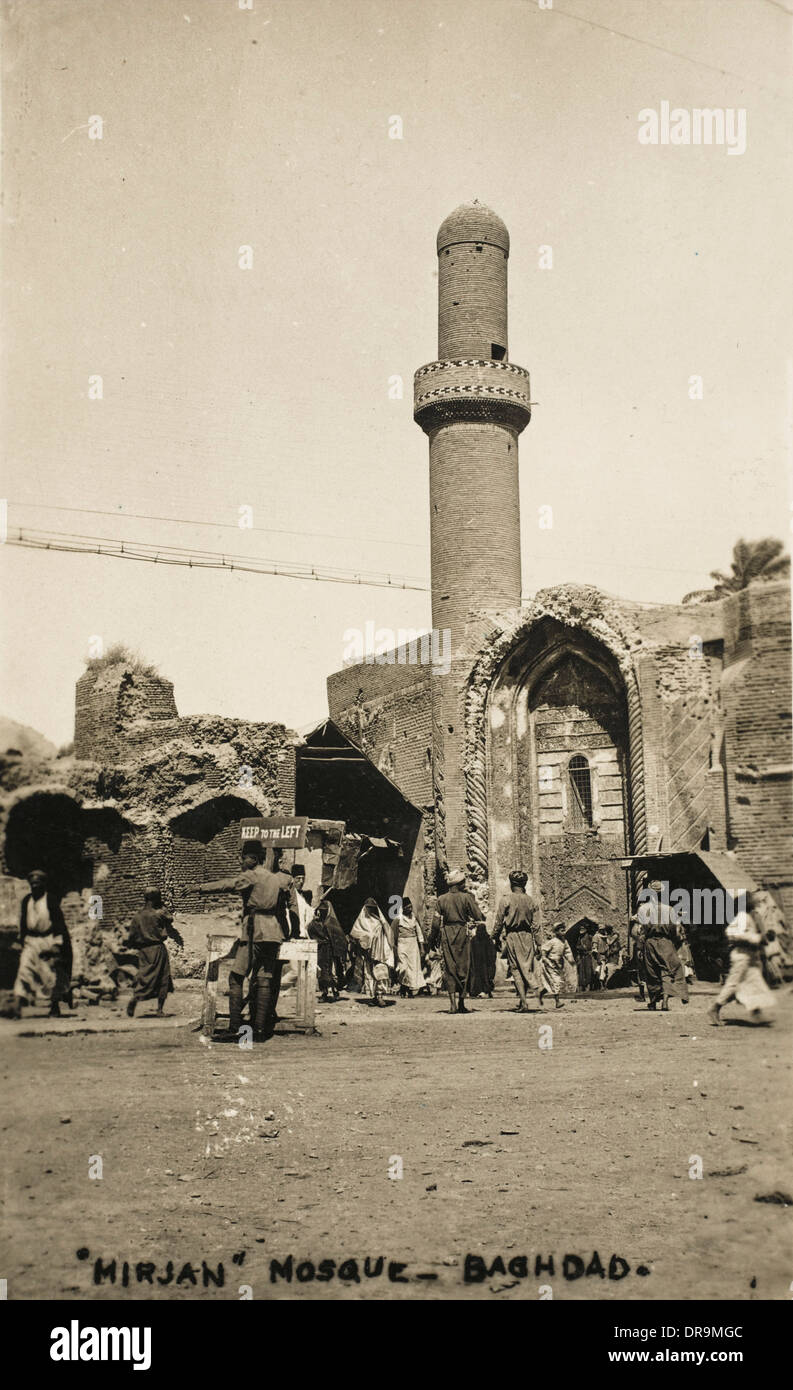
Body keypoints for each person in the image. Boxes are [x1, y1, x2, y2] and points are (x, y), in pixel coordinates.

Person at [199, 842, 299, 1040]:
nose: (241, 861)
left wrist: (198, 888)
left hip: (255, 930)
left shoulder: (251, 875)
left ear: (253, 859)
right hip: (274, 933)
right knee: (264, 979)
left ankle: (236, 1027)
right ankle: (260, 1030)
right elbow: (291, 908)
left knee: (235, 978)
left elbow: (226, 885)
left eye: (244, 857)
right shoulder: (276, 879)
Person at [11, 869, 73, 1019]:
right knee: (24, 969)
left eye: (38, 884)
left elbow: (59, 924)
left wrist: (56, 945)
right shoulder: (27, 900)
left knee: (49, 975)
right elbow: (23, 922)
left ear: (43, 885)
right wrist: (21, 940)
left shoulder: (50, 900)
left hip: (48, 939)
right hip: (31, 941)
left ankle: (54, 1006)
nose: (35, 887)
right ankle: (17, 1007)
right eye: (32, 884)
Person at [708, 893, 776, 1026]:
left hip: (751, 955)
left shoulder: (751, 916)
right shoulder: (742, 917)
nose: (755, 903)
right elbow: (732, 933)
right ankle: (715, 1008)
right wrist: (756, 938)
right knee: (734, 984)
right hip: (742, 955)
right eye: (752, 901)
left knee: (755, 983)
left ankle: (756, 1011)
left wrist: (766, 937)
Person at [430, 868, 484, 1014]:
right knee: (463, 968)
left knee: (450, 968)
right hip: (462, 933)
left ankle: (452, 1005)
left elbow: (435, 923)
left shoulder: (441, 899)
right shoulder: (466, 898)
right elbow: (479, 916)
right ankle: (461, 1003)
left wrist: (432, 940)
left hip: (447, 934)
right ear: (460, 883)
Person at [125, 889, 183, 1017]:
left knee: (145, 976)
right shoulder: (158, 914)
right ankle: (159, 1010)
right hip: (157, 949)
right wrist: (162, 905)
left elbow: (131, 937)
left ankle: (136, 997)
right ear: (156, 899)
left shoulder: (138, 916)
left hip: (144, 950)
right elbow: (170, 919)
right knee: (163, 976)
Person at [636, 882, 689, 1011]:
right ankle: (665, 1002)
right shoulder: (670, 909)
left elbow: (641, 931)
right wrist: (676, 943)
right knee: (667, 971)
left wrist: (639, 947)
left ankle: (653, 1002)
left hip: (650, 943)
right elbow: (675, 931)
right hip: (666, 943)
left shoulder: (643, 909)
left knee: (651, 972)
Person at [493, 870, 540, 1012]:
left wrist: (494, 937)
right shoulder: (531, 901)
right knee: (526, 967)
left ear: (511, 883)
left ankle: (524, 1002)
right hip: (527, 937)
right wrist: (539, 943)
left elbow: (499, 922)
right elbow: (536, 926)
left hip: (513, 936)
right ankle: (522, 999)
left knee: (516, 969)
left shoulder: (506, 900)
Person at [349, 897, 394, 1005]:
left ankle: (380, 995)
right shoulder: (361, 921)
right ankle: (374, 996)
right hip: (367, 953)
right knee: (369, 974)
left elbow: (389, 935)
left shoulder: (381, 921)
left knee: (381, 972)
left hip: (380, 952)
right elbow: (354, 934)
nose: (371, 910)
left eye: (373, 908)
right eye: (369, 908)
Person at [309, 897, 349, 1001]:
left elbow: (340, 939)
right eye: (320, 910)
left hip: (332, 953)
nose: (322, 912)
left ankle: (335, 991)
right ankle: (324, 992)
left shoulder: (332, 922)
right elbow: (311, 931)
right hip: (321, 951)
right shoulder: (315, 923)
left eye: (324, 911)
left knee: (332, 972)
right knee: (322, 972)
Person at [393, 897, 425, 996]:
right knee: (403, 967)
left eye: (411, 907)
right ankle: (403, 987)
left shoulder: (414, 917)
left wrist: (422, 947)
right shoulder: (398, 919)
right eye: (407, 907)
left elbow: (419, 933)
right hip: (402, 944)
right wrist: (394, 947)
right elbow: (393, 934)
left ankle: (410, 990)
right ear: (403, 908)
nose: (410, 909)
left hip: (413, 944)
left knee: (413, 967)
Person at [539, 922, 576, 1009]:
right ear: (556, 932)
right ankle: (557, 1002)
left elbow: (567, 952)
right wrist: (544, 958)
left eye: (564, 929)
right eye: (560, 929)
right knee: (557, 981)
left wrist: (571, 961)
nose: (563, 931)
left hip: (559, 964)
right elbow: (544, 949)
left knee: (554, 982)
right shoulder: (552, 941)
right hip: (550, 963)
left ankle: (542, 992)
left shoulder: (564, 942)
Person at [468, 918, 497, 998]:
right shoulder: (488, 939)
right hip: (485, 963)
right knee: (486, 976)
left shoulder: (474, 940)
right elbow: (492, 952)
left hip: (478, 963)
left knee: (479, 977)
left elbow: (470, 951)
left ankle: (479, 991)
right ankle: (486, 991)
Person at [592, 923, 623, 989]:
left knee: (603, 970)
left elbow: (609, 943)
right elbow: (594, 948)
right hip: (599, 955)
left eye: (604, 929)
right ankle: (600, 986)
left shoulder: (605, 937)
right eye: (602, 930)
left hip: (605, 956)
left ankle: (603, 985)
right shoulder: (596, 936)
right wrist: (597, 956)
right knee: (599, 970)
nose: (603, 931)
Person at [289, 864, 312, 939]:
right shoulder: (290, 895)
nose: (301, 881)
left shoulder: (305, 896)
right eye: (298, 878)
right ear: (292, 879)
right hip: (294, 935)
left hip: (305, 935)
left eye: (303, 878)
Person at [573, 921, 597, 993]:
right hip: (582, 956)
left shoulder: (590, 937)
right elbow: (577, 946)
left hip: (588, 956)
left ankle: (589, 986)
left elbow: (593, 946)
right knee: (582, 971)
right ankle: (583, 986)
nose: (581, 930)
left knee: (589, 970)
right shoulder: (580, 938)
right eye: (581, 928)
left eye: (583, 928)